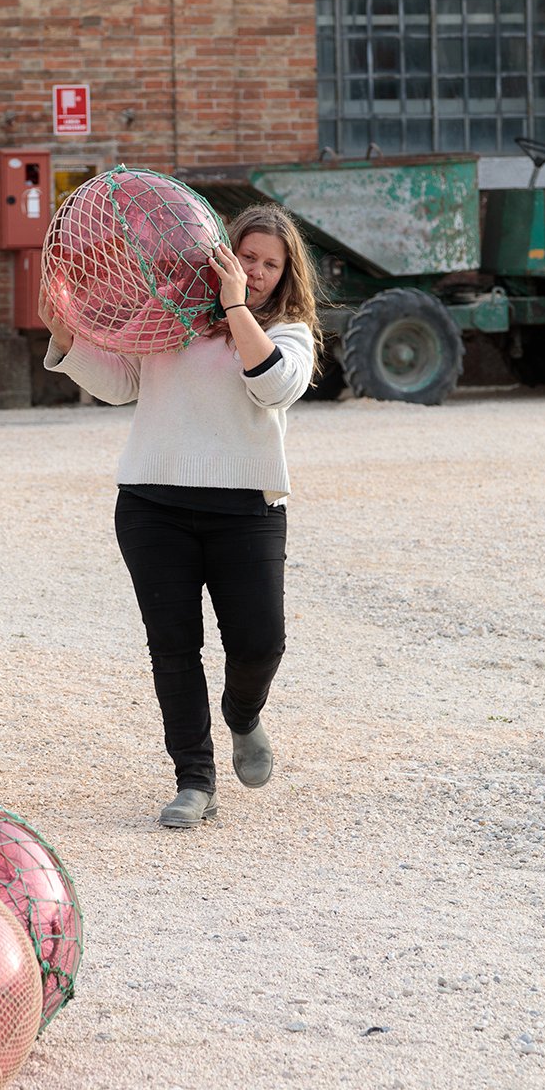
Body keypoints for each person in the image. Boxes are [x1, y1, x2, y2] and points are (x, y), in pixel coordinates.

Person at [38, 200, 321, 828]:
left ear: (286, 272)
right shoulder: (168, 315)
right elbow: (121, 384)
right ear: (216, 248)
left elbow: (274, 386)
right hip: (151, 504)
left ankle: (243, 715)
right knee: (173, 647)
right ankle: (195, 780)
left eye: (270, 264)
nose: (256, 269)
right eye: (246, 256)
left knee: (260, 641)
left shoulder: (287, 330)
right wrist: (63, 334)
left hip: (246, 510)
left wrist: (236, 305)